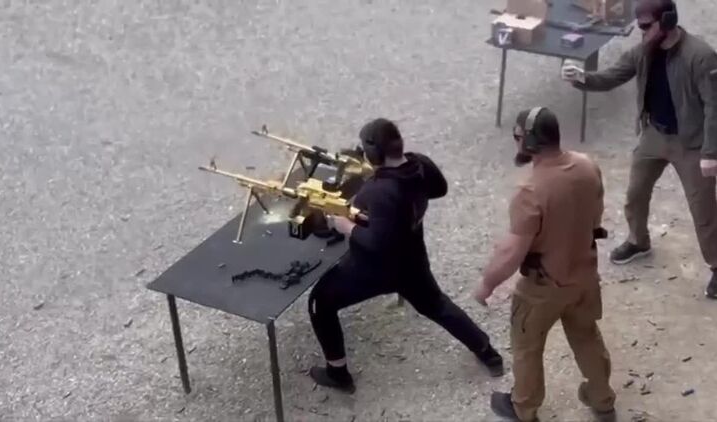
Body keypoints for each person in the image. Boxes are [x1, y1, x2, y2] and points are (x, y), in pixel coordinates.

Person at [307, 118, 504, 393]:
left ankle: (338, 372)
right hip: (412, 259)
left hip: (373, 269)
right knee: (437, 305)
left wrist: (345, 227)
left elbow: (376, 242)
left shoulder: (379, 190)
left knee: (320, 302)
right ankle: (488, 353)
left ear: (374, 153)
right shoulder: (419, 165)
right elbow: (440, 189)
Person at [562, 0, 717, 298]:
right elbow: (613, 76)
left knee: (704, 210)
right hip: (654, 134)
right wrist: (581, 78)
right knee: (635, 194)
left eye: (647, 25)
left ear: (667, 21)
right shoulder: (644, 51)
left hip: (691, 143)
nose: (642, 32)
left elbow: (714, 106)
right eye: (640, 25)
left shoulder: (701, 56)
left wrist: (710, 153)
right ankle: (638, 240)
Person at [474, 108, 616, 422]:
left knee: (527, 347)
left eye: (517, 136)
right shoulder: (587, 166)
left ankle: (523, 408)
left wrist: (486, 284)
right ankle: (602, 398)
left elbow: (512, 252)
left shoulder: (530, 191)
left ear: (529, 141)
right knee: (586, 335)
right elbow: (595, 218)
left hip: (543, 287)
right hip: (584, 275)